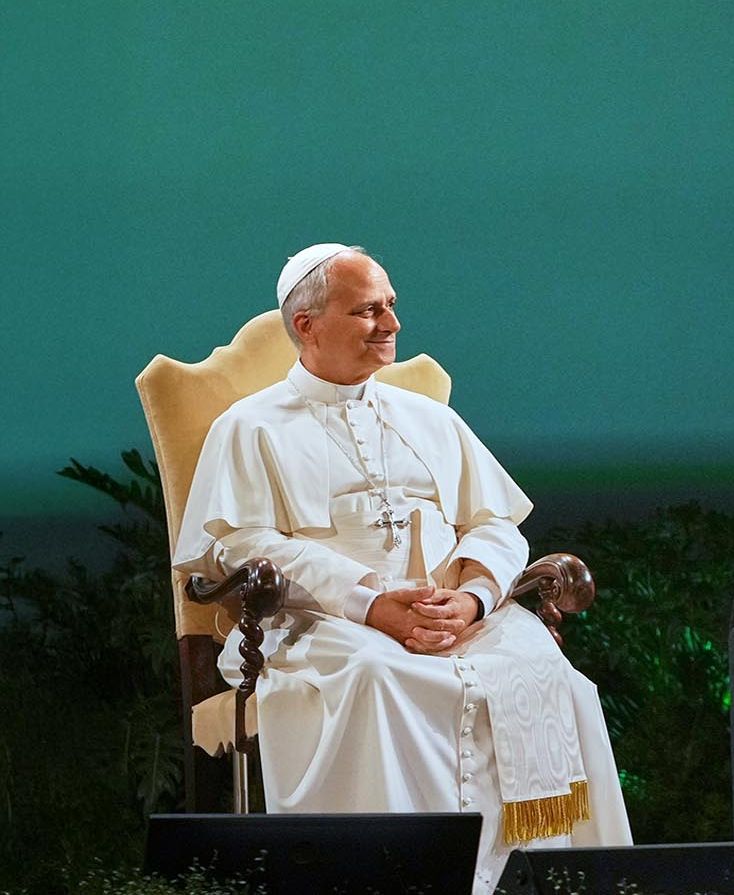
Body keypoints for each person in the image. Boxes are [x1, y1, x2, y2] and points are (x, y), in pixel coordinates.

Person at [172, 244, 631, 894]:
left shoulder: (431, 420)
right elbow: (240, 545)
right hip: (320, 622)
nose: (390, 324)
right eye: (366, 311)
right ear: (306, 324)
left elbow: (496, 523)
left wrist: (472, 597)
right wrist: (370, 604)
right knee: (376, 676)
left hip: (454, 617)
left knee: (552, 675)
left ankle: (560, 880)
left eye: (389, 306)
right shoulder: (249, 428)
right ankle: (398, 880)